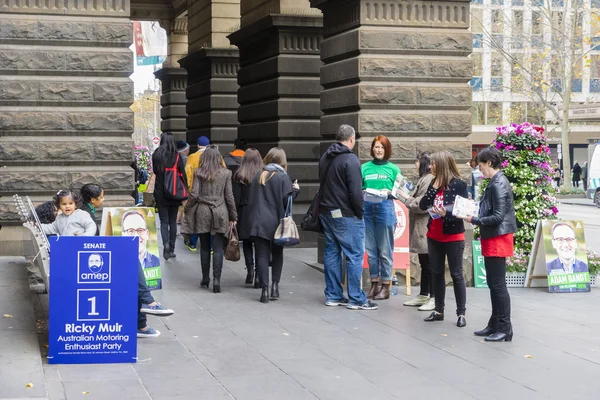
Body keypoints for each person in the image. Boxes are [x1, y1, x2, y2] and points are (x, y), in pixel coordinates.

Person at [318, 125, 378, 310]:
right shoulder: (350, 159)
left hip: (327, 212)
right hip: (346, 214)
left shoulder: (325, 157)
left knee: (332, 253)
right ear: (351, 139)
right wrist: (360, 212)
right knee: (354, 255)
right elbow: (354, 192)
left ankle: (333, 295)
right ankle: (356, 298)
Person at [465, 147, 517, 343]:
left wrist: (474, 220)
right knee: (494, 284)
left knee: (498, 285)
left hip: (498, 237)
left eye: (481, 166)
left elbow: (497, 216)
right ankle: (496, 323)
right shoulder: (496, 182)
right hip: (495, 236)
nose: (480, 170)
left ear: (489, 163)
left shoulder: (498, 184)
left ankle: (504, 326)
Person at [243, 148, 299, 303]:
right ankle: (275, 286)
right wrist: (295, 191)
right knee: (277, 253)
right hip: (276, 222)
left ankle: (264, 290)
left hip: (258, 222)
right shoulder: (283, 177)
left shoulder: (257, 175)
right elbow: (286, 200)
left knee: (261, 255)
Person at [419, 151, 468, 327]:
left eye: (433, 164)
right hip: (434, 235)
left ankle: (461, 313)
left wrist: (445, 213)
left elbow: (463, 212)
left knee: (456, 274)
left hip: (453, 236)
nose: (429, 166)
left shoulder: (459, 184)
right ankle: (439, 310)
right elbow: (423, 204)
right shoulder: (433, 182)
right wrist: (434, 187)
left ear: (442, 165)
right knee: (437, 273)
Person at [183, 145, 237, 293]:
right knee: (218, 248)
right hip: (221, 211)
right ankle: (217, 281)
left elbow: (194, 194)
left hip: (202, 211)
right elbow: (229, 196)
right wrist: (233, 216)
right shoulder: (226, 173)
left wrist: (187, 208)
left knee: (205, 247)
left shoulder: (199, 172)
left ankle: (205, 278)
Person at [361, 135, 400, 300]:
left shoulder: (394, 169)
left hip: (385, 209)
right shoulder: (363, 168)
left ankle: (386, 285)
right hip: (367, 209)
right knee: (370, 251)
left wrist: (392, 193)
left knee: (385, 250)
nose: (379, 150)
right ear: (372, 149)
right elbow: (358, 187)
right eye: (376, 147)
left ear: (387, 150)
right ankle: (374, 283)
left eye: (382, 147)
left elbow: (401, 192)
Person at [398, 152, 436, 311]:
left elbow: (423, 204)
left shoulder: (428, 180)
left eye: (417, 162)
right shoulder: (423, 179)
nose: (415, 165)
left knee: (429, 263)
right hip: (421, 226)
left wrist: (405, 199)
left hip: (425, 226)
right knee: (424, 262)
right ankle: (424, 293)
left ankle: (433, 297)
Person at [152, 132, 188, 260]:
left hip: (160, 192)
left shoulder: (156, 154)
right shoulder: (177, 156)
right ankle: (172, 248)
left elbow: (155, 171)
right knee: (172, 221)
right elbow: (182, 175)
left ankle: (165, 244)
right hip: (174, 192)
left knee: (163, 221)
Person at [233, 148, 263, 287]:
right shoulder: (263, 175)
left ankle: (250, 271)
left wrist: (234, 215)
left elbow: (236, 198)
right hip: (259, 212)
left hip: (244, 212)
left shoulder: (239, 175)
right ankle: (258, 274)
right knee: (258, 243)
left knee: (246, 243)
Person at [121, 209, 162, 289]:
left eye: (140, 230)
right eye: (131, 231)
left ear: (146, 234)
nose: (136, 236)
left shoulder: (156, 262)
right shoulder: (115, 265)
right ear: (123, 235)